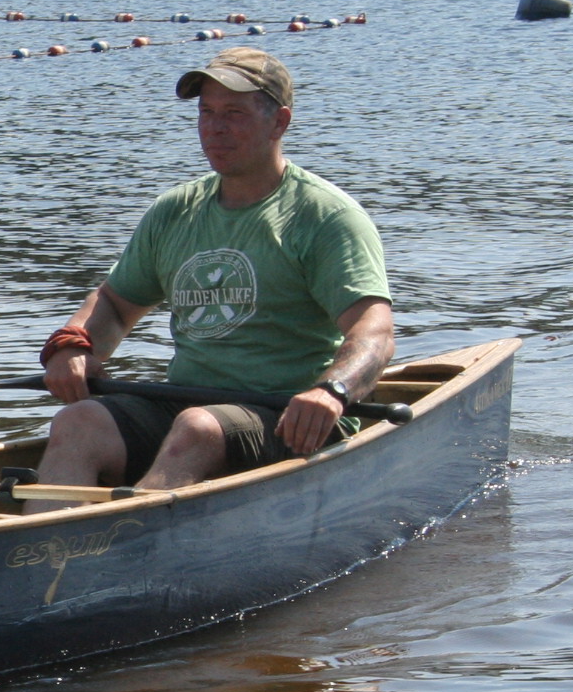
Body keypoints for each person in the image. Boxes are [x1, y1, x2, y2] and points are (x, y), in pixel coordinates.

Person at [34, 47, 395, 505]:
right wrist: (74, 347)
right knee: (78, 421)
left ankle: (116, 545)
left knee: (198, 428)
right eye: (206, 112)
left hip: (289, 417)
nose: (215, 128)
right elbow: (115, 304)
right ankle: (37, 548)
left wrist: (332, 392)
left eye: (234, 113)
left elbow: (375, 334)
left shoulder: (325, 217)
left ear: (279, 123)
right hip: (188, 403)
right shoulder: (175, 211)